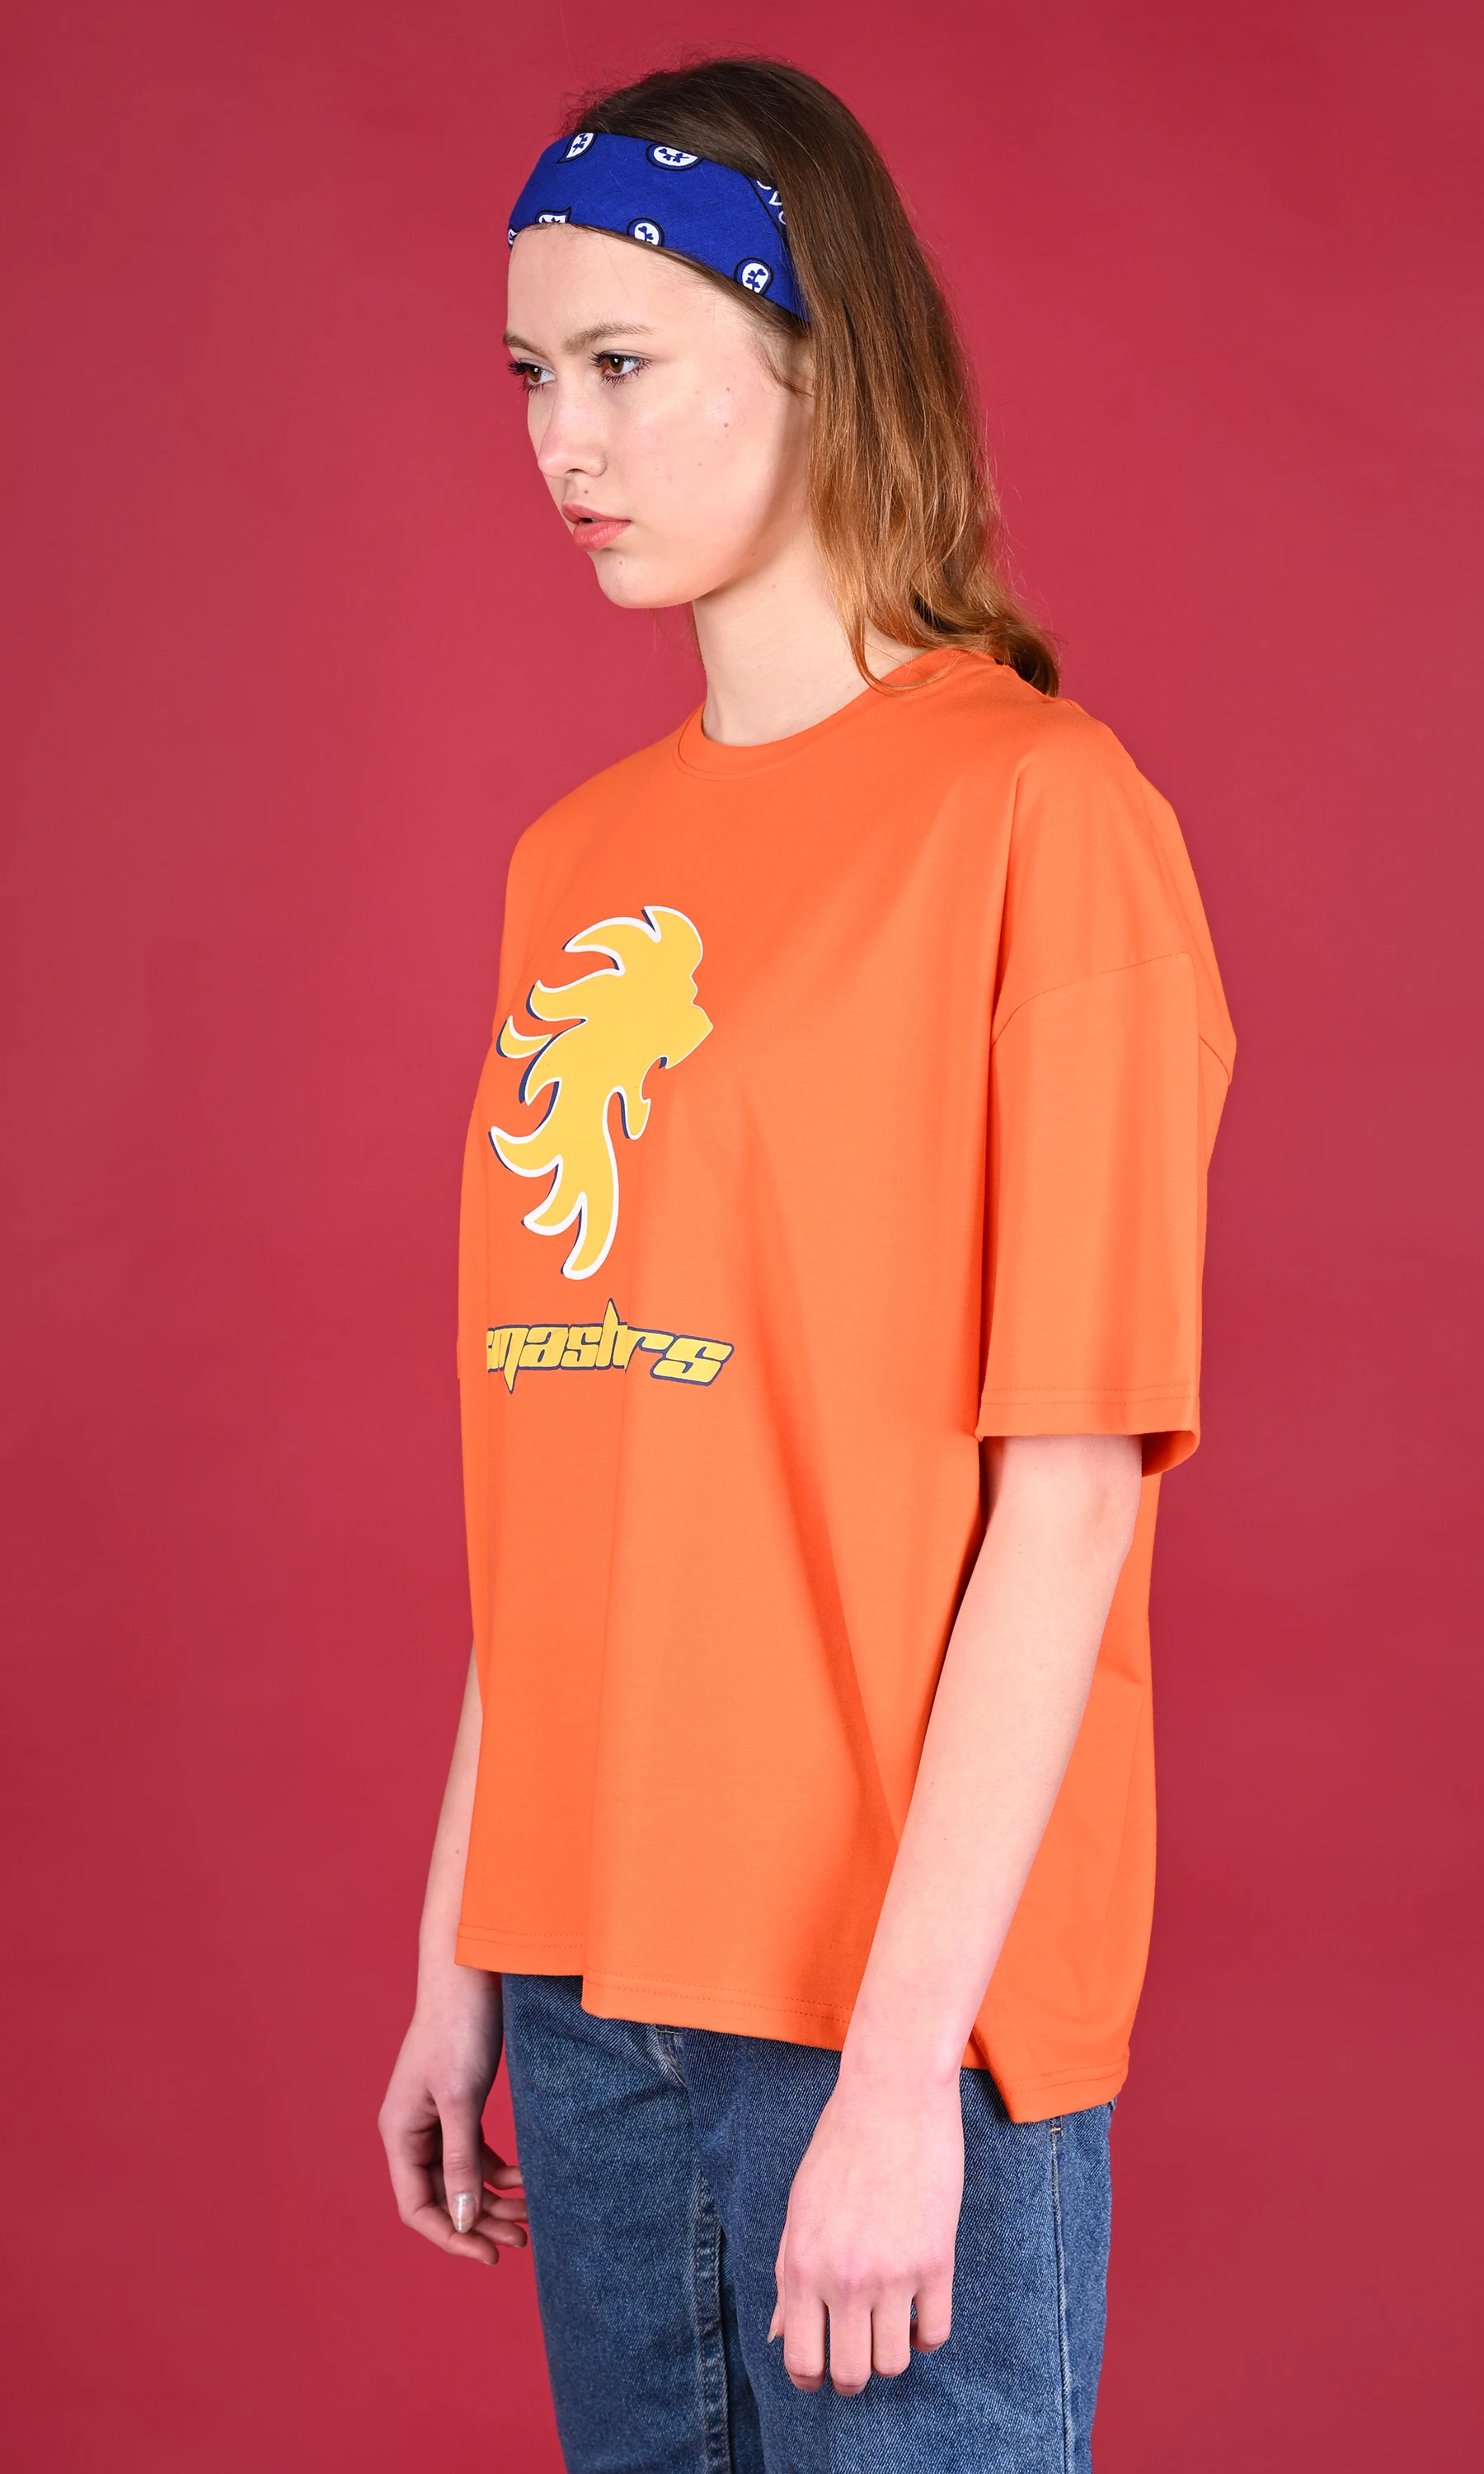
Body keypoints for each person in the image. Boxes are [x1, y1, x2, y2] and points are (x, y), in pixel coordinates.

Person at [378, 54, 1234, 2474]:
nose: (564, 441)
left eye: (622, 363)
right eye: (530, 374)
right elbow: (572, 1443)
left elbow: (1069, 1495)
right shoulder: (574, 865)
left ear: (821, 353)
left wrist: (897, 2075)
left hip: (884, 2013)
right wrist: (462, 1944)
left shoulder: (1042, 816)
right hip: (588, 2004)